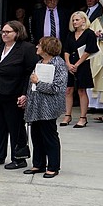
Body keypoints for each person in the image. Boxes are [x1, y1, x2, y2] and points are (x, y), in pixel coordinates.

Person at [0, 20, 37, 169]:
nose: (4, 34)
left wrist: (26, 94)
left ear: (17, 33)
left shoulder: (26, 49)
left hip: (15, 94)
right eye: (3, 32)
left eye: (8, 32)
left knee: (16, 128)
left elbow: (30, 73)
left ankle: (19, 158)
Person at [24, 37, 68, 177]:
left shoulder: (59, 64)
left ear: (47, 49)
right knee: (36, 135)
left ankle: (53, 166)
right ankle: (38, 164)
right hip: (36, 105)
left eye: (40, 45)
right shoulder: (39, 62)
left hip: (49, 106)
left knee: (49, 136)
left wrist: (38, 82)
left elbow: (57, 87)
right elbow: (31, 83)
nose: (37, 46)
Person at [61, 11, 99, 128]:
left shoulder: (89, 34)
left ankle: (83, 117)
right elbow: (66, 50)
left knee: (82, 90)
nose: (74, 22)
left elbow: (88, 51)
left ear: (83, 20)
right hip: (70, 64)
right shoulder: (70, 35)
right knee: (68, 90)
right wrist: (68, 64)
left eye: (77, 20)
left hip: (83, 65)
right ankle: (68, 115)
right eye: (73, 20)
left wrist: (77, 64)